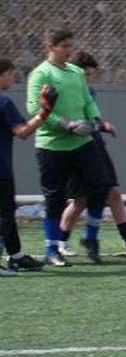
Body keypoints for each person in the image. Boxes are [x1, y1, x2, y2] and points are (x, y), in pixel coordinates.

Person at [27, 28, 117, 267]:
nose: (69, 50)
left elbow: (88, 102)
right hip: (52, 146)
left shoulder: (77, 72)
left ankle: (90, 237)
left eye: (70, 46)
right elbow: (34, 108)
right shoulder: (40, 74)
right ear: (50, 47)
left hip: (82, 143)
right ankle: (51, 249)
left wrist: (96, 120)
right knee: (55, 198)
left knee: (99, 185)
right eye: (64, 46)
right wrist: (66, 124)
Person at [57, 51, 126, 261]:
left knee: (114, 192)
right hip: (76, 149)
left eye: (92, 75)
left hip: (96, 147)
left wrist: (102, 124)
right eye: (86, 75)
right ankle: (61, 242)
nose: (90, 79)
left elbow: (92, 117)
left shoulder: (90, 93)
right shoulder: (65, 93)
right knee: (81, 200)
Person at [0, 58, 57, 275]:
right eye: (9, 74)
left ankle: (15, 256)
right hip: (1, 170)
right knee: (4, 214)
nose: (12, 78)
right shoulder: (4, 103)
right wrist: (45, 111)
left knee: (7, 212)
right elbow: (23, 132)